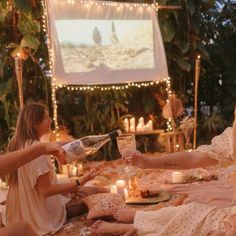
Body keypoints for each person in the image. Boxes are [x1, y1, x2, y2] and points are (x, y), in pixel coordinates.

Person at [90, 109, 236, 235]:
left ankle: (136, 226)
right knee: (190, 212)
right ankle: (139, 220)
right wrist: (147, 162)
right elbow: (193, 157)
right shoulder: (232, 138)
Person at [2, 103, 102, 235]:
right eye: (45, 118)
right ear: (33, 123)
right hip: (40, 217)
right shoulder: (37, 151)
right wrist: (81, 181)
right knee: (95, 192)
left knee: (82, 191)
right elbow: (46, 191)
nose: (50, 121)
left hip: (16, 215)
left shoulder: (16, 144)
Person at [0, 142, 66, 236]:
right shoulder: (33, 149)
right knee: (22, 229)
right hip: (38, 219)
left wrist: (42, 148)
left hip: (20, 217)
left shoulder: (20, 144)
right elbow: (46, 191)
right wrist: (78, 182)